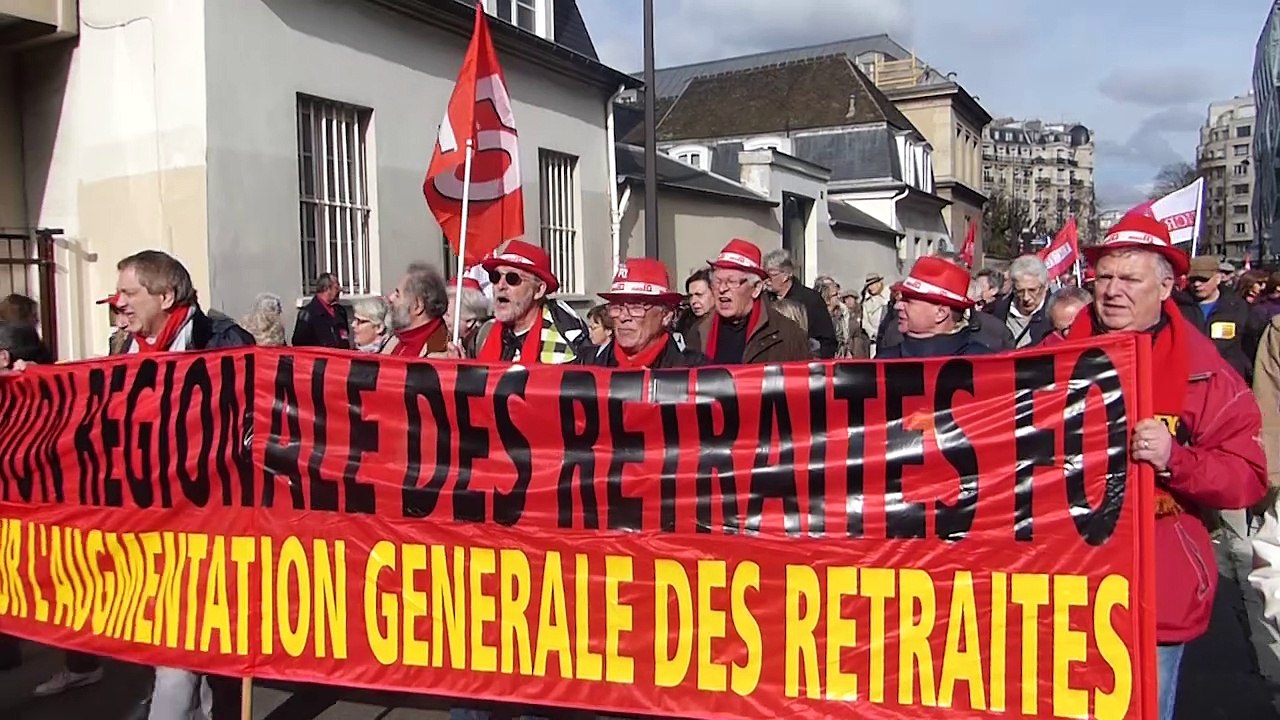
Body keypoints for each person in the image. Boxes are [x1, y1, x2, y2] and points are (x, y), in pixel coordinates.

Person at [1053, 212, 1266, 720]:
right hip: (1062, 577)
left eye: (1130, 279)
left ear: (1167, 286)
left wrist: (1177, 460)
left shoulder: (1205, 373)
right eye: (1104, 277)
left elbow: (1247, 478)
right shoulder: (1050, 360)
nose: (1112, 291)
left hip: (1156, 580)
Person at [100, 250, 251, 719]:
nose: (118, 302)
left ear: (165, 296)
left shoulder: (225, 344)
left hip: (210, 520)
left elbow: (256, 425)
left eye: (129, 293)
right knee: (183, 651)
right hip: (149, 520)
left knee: (179, 651)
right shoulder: (122, 348)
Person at [683, 238, 809, 365]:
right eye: (717, 282)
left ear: (756, 288)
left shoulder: (786, 335)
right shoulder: (699, 332)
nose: (722, 289)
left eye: (731, 282)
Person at [470, 240, 587, 364]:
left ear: (538, 290)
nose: (500, 285)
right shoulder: (484, 334)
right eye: (495, 276)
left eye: (512, 278)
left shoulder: (566, 345)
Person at [575, 258, 707, 368]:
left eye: (636, 307)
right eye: (617, 306)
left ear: (666, 315)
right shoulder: (586, 365)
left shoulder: (694, 371)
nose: (623, 316)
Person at [876, 256, 995, 358]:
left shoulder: (982, 365)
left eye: (908, 301)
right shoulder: (884, 363)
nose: (898, 306)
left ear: (941, 313)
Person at [1183, 255, 1257, 383]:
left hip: (1229, 381)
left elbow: (1250, 343)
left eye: (1203, 279)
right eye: (1193, 280)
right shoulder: (1179, 307)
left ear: (1217, 278)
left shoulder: (1237, 307)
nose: (1197, 284)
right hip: (1190, 380)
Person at [763, 249, 837, 358]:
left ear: (786, 275)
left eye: (771, 275)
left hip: (802, 364)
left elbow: (827, 342)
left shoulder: (811, 299)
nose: (766, 280)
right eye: (764, 275)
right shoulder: (764, 299)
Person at [384, 262, 451, 358]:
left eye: (398, 295)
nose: (391, 298)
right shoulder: (395, 341)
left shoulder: (441, 350)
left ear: (417, 306)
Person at [988, 254, 1052, 348]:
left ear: (1045, 285)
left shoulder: (1055, 315)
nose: (1026, 297)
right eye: (1020, 291)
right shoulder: (996, 311)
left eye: (1032, 290)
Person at [291, 273, 350, 348]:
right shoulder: (308, 314)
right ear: (326, 289)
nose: (340, 290)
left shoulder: (340, 311)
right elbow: (299, 344)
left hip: (342, 357)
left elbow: (345, 336)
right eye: (336, 287)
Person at [444, 277, 492, 358]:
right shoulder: (464, 341)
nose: (442, 318)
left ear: (470, 321)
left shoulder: (485, 341)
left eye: (447, 315)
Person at [860, 272, 891, 357]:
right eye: (869, 285)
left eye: (873, 284)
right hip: (875, 339)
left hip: (889, 338)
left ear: (879, 283)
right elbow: (865, 322)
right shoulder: (866, 302)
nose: (871, 287)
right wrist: (872, 333)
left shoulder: (889, 294)